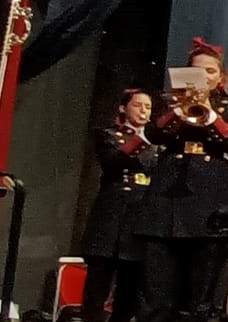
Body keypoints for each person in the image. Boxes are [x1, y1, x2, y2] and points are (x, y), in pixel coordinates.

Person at [135, 38, 228, 322]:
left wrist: (207, 111)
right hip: (165, 201)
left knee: (199, 298)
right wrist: (180, 108)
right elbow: (153, 135)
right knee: (156, 295)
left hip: (208, 201)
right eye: (197, 70)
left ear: (220, 78)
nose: (203, 77)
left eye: (210, 71)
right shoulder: (168, 102)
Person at [81, 89, 157, 322]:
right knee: (97, 289)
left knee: (129, 294)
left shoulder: (157, 144)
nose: (143, 111)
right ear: (123, 108)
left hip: (138, 222)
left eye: (148, 107)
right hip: (110, 220)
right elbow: (113, 162)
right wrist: (142, 140)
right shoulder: (108, 135)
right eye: (138, 105)